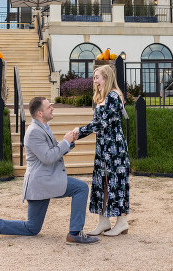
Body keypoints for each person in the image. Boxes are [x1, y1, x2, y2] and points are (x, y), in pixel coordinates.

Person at [0, 96, 99, 245]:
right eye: (48, 107)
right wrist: (65, 142)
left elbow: (53, 152)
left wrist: (70, 141)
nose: (52, 108)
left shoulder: (42, 128)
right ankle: (75, 234)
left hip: (41, 182)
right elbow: (47, 157)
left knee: (32, 228)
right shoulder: (34, 132)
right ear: (40, 113)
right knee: (81, 188)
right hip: (43, 182)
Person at [76, 64, 130, 236]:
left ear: (106, 78)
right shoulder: (103, 97)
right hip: (103, 147)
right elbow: (99, 124)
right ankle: (104, 221)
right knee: (103, 182)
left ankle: (122, 222)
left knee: (116, 182)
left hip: (114, 148)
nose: (95, 81)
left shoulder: (113, 96)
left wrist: (80, 132)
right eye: (94, 78)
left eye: (97, 77)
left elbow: (103, 123)